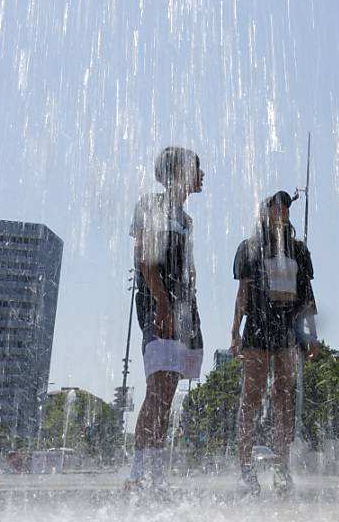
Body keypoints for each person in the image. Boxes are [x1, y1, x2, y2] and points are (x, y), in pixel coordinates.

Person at [126, 146, 205, 492]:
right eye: (197, 169)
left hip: (183, 307)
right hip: (158, 304)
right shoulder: (150, 205)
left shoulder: (186, 220)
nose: (202, 175)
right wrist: (162, 304)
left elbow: (187, 268)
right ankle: (136, 475)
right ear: (177, 172)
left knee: (168, 391)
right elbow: (146, 259)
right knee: (157, 389)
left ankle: (155, 474)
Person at [231, 190, 318, 496]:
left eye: (285, 207)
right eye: (275, 206)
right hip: (258, 324)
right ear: (265, 212)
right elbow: (242, 293)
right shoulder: (250, 247)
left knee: (284, 398)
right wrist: (234, 332)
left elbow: (307, 295)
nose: (281, 210)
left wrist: (312, 335)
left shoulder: (299, 249)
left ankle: (282, 467)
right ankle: (246, 467)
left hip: (288, 326)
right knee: (252, 394)